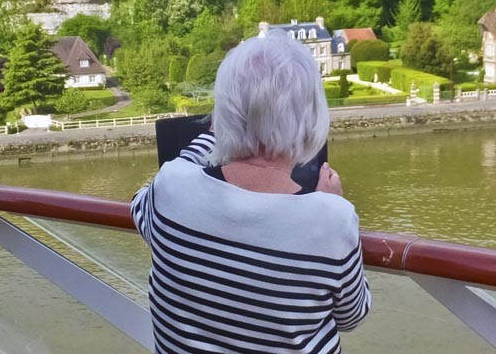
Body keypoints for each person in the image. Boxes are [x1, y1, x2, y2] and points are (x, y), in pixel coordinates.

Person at [132, 33, 371, 353]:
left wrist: (212, 137)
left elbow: (139, 205)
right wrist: (330, 201)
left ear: (222, 115)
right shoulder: (331, 220)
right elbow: (352, 316)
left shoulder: (170, 187)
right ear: (312, 120)